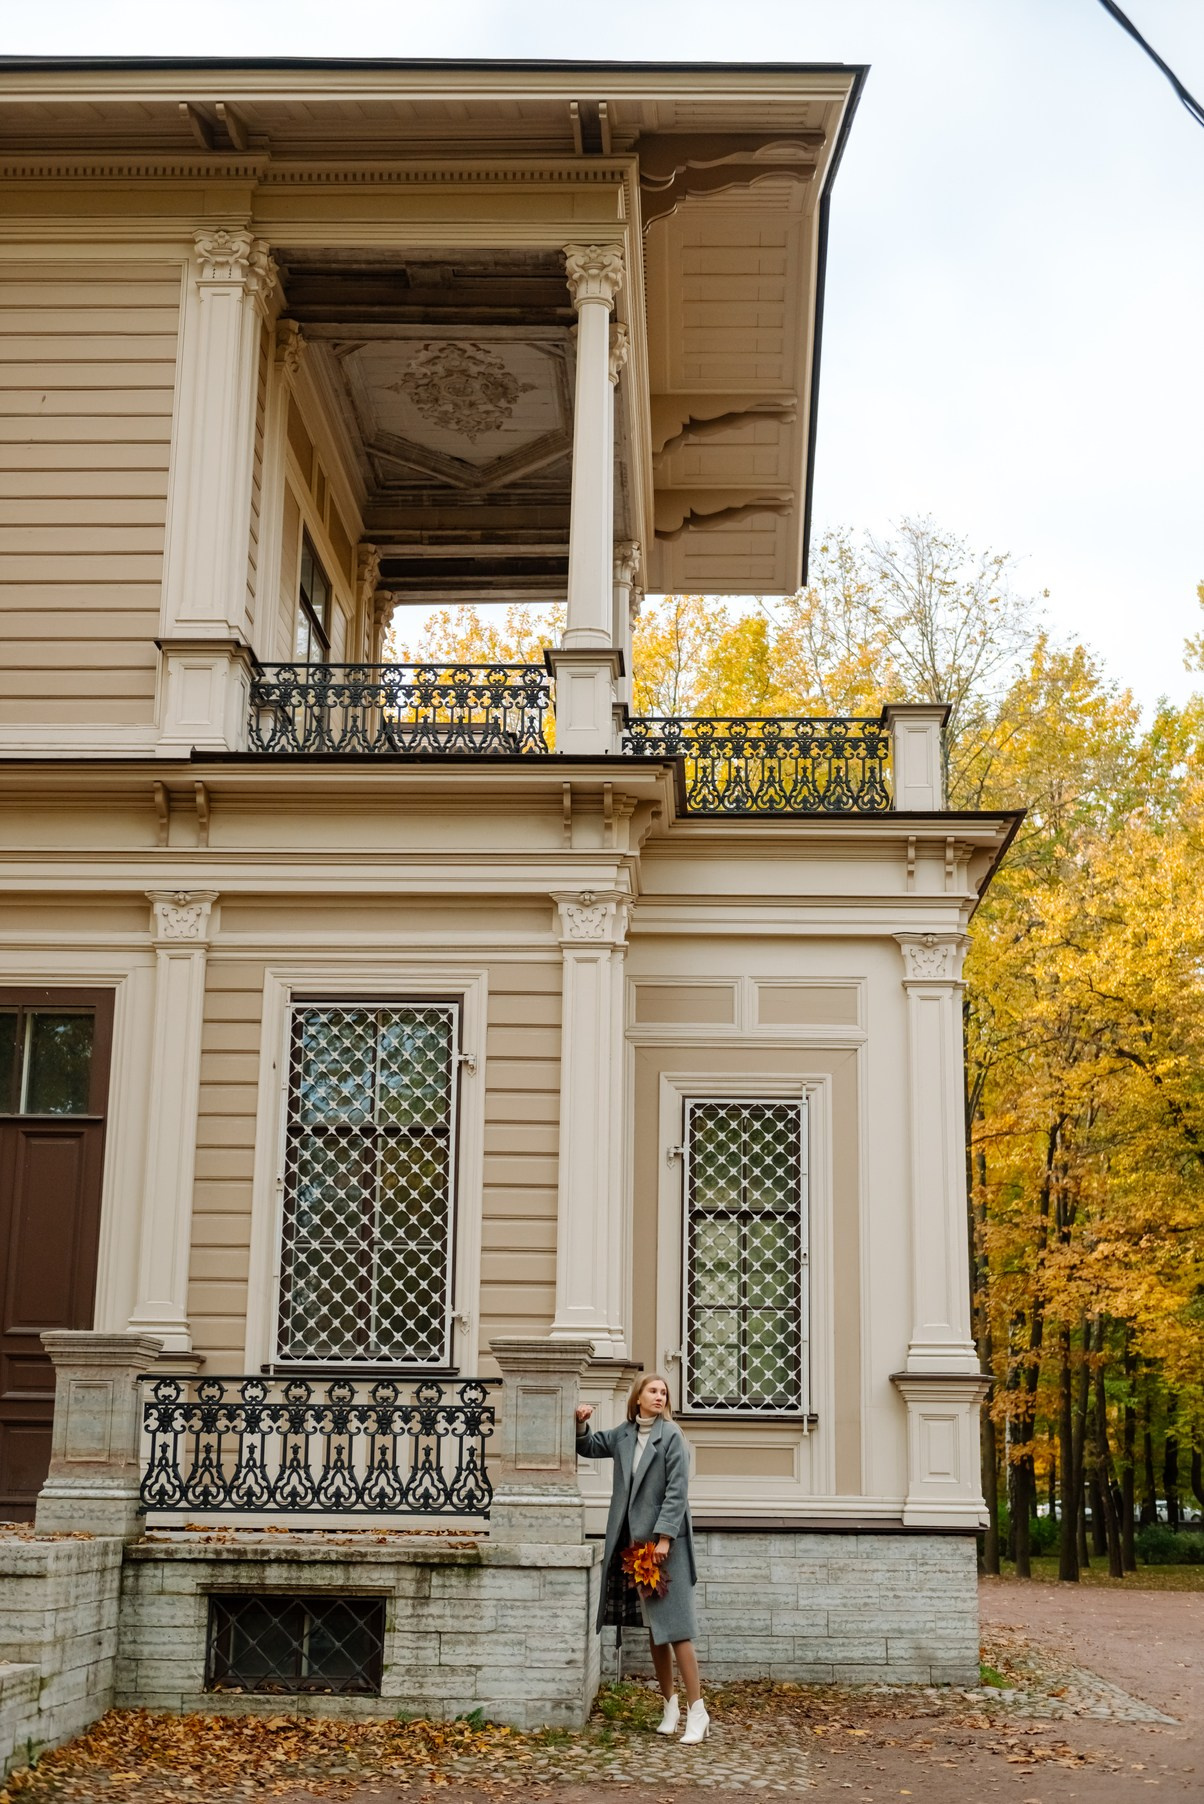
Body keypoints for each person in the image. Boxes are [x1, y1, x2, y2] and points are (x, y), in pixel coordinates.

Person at [575, 1373, 709, 1744]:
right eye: (652, 1390)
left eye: (663, 1392)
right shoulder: (623, 1434)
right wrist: (580, 1422)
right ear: (637, 1398)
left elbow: (677, 1491)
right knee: (655, 1631)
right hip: (634, 1547)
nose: (659, 1396)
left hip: (669, 1546)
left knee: (678, 1630)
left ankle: (698, 1711)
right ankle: (670, 1705)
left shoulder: (672, 1437)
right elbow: (589, 1446)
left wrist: (665, 1537)